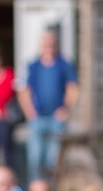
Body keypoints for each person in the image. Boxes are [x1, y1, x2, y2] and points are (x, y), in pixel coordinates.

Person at [19, 30, 79, 182]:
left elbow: (73, 88)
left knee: (52, 159)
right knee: (35, 158)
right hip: (37, 116)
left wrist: (66, 109)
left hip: (55, 117)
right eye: (45, 45)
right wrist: (29, 111)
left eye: (51, 45)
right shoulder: (34, 66)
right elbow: (25, 90)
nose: (48, 48)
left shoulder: (63, 64)